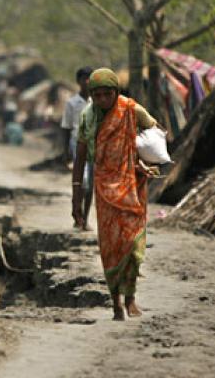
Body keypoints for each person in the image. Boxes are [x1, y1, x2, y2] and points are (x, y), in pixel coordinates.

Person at [72, 68, 158, 321]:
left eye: (106, 94)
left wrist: (144, 159)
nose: (102, 100)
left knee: (132, 244)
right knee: (110, 247)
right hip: (104, 188)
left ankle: (131, 297)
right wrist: (76, 196)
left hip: (132, 184)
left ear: (116, 92)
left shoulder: (131, 110)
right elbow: (79, 157)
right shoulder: (89, 117)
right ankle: (116, 303)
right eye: (96, 95)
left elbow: (155, 132)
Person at [62, 67, 93, 229]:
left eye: (89, 78)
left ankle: (85, 218)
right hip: (77, 144)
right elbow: (66, 127)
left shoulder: (97, 102)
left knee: (91, 184)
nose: (87, 82)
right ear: (78, 81)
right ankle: (77, 213)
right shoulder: (72, 103)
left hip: (94, 146)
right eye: (84, 78)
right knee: (82, 181)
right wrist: (66, 151)